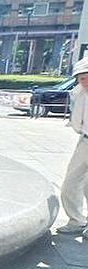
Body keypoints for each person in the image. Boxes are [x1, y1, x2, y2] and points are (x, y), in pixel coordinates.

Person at [57, 57, 88, 234]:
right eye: (81, 78)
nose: (85, 82)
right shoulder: (80, 94)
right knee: (70, 183)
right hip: (85, 141)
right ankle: (76, 220)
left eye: (87, 78)